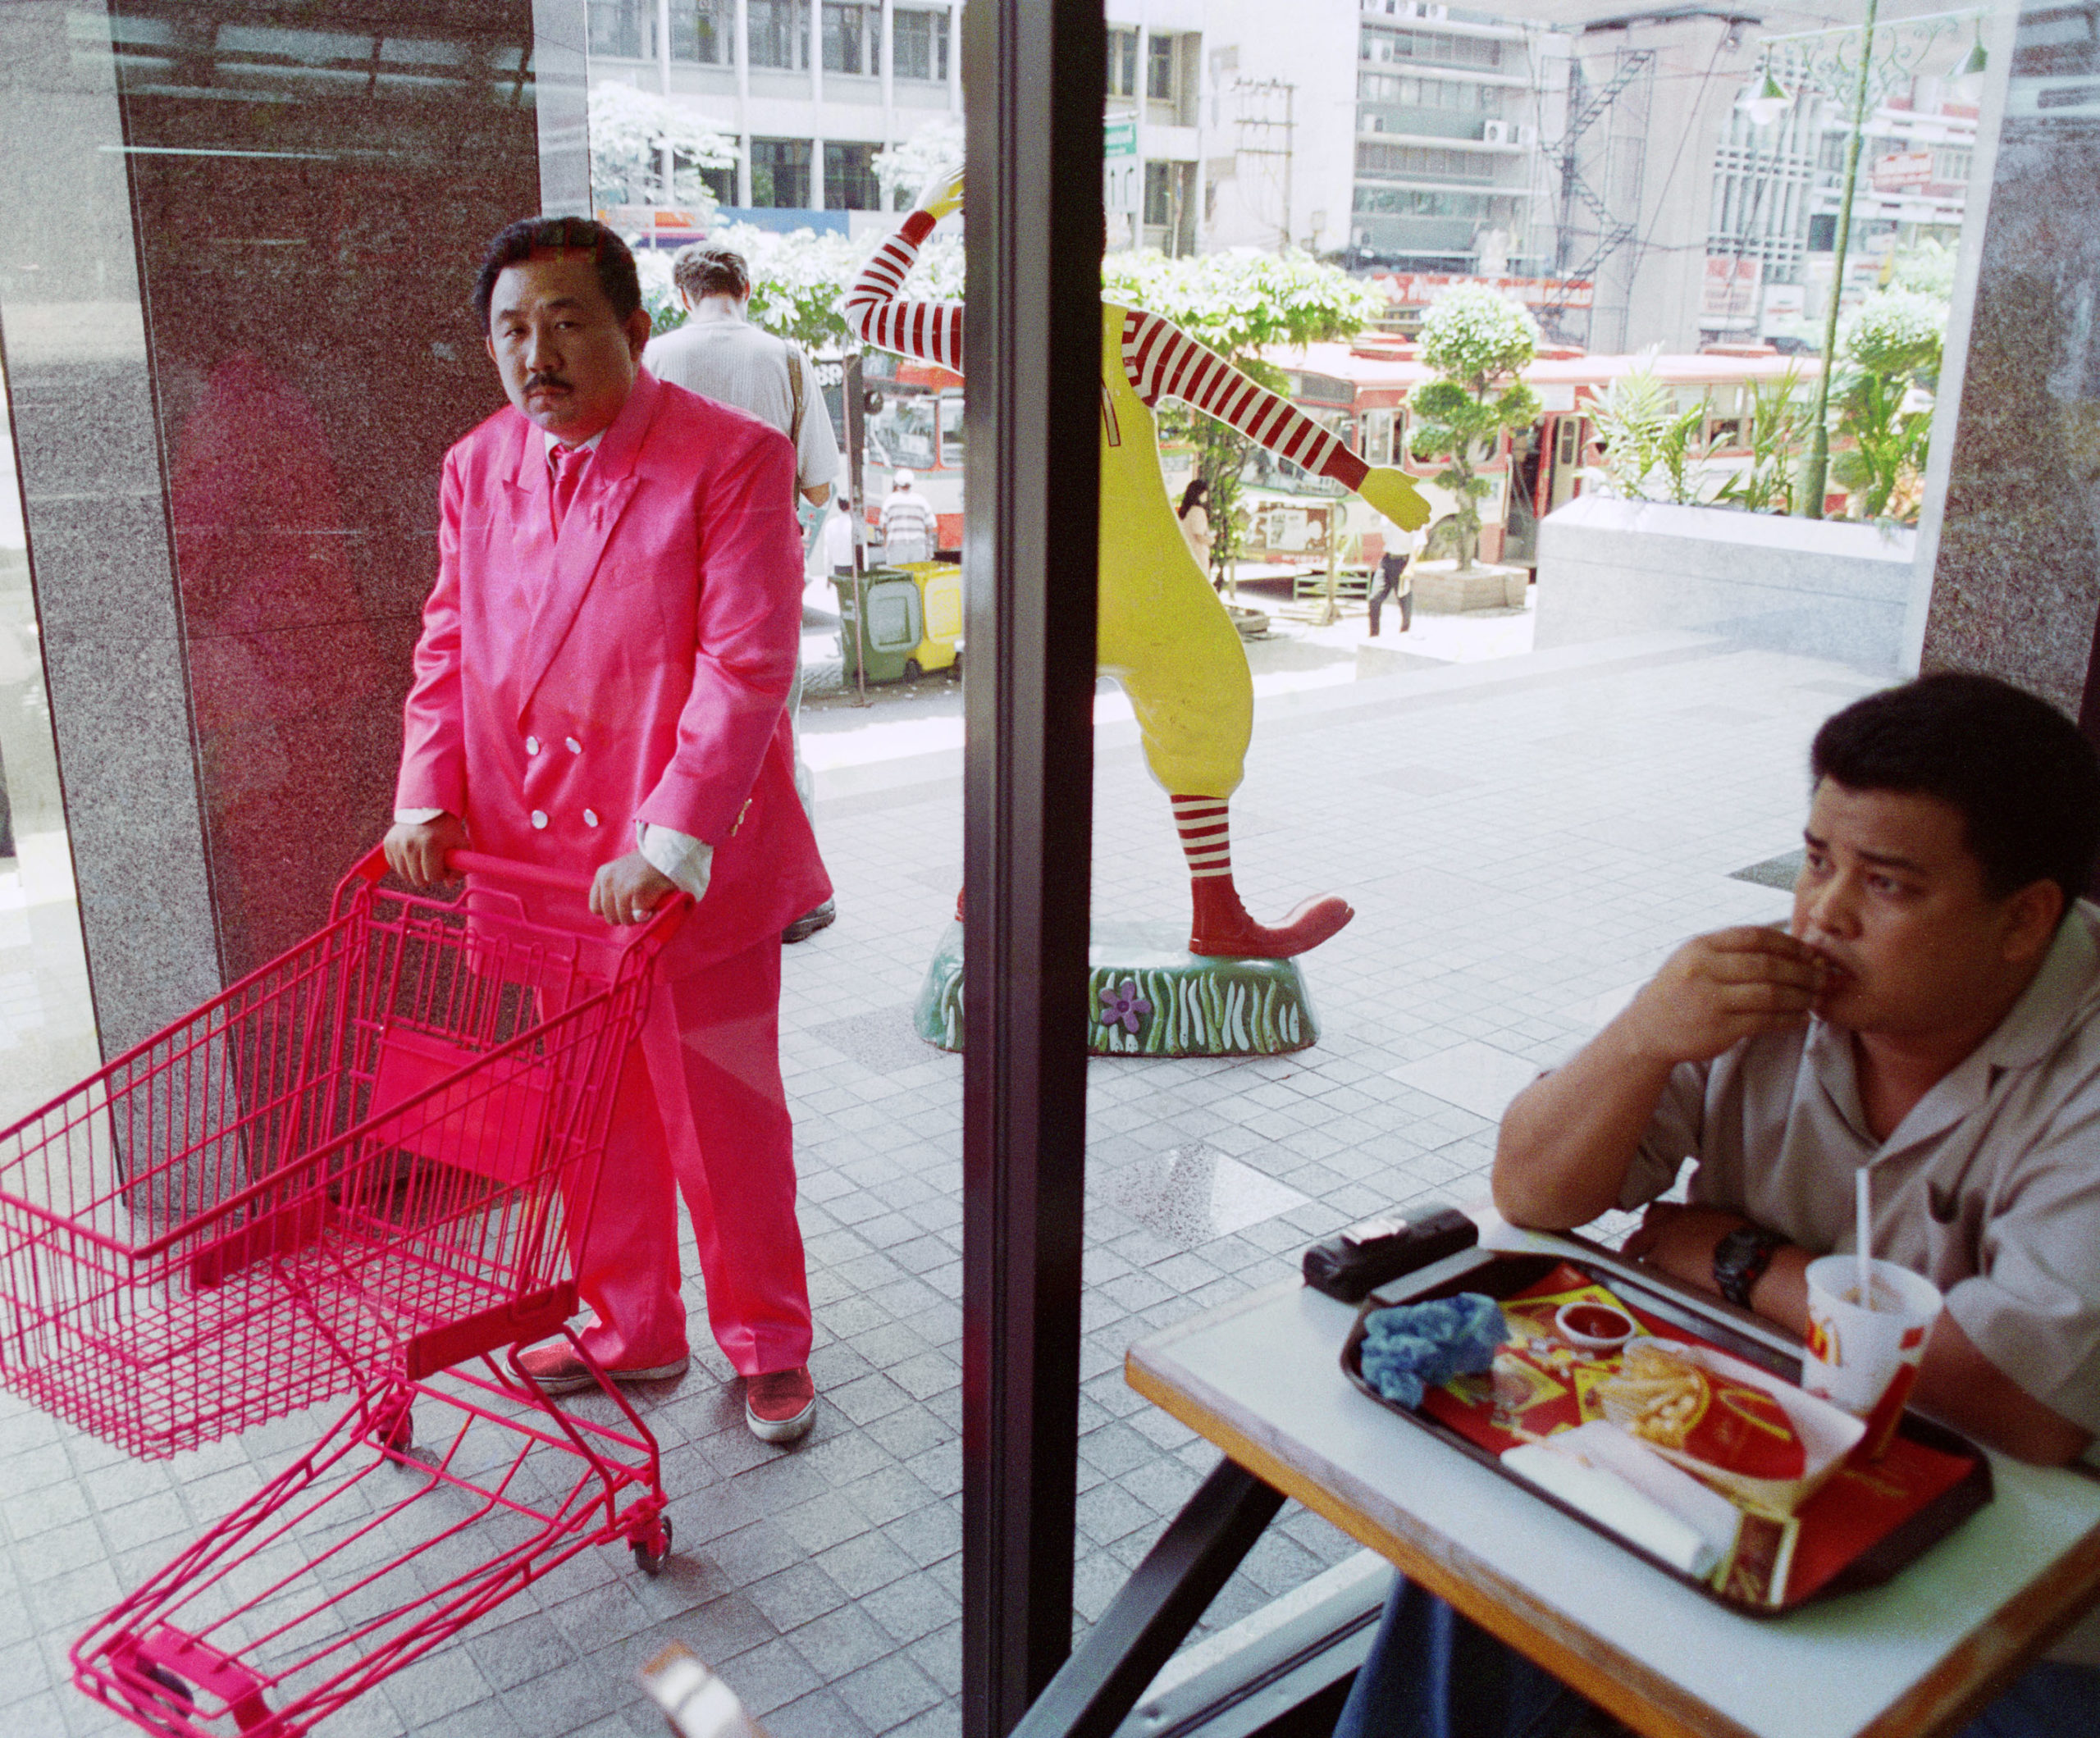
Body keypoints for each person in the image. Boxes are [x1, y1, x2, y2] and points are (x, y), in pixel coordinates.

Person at [1335, 671, 2100, 1738]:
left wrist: (1735, 1259)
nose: (1821, 913)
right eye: (1818, 859)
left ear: (2024, 920)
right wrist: (1647, 1030)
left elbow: (2020, 1401)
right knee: (1478, 1573)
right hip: (1720, 1462)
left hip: (2002, 1582)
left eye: (1884, 884)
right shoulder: (1772, 989)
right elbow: (1536, 1189)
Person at [385, 217, 831, 1445]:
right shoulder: (478, 465)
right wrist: (425, 790)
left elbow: (746, 666)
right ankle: (630, 1322)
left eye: (568, 322)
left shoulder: (727, 461)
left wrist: (670, 838)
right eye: (514, 330)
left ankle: (768, 1341)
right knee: (591, 1108)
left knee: (723, 1110)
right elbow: (448, 638)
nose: (540, 354)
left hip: (690, 859)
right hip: (535, 856)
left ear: (636, 330)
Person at [847, 167, 1431, 958]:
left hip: (1039, 593)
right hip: (1135, 587)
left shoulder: (981, 328)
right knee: (1199, 699)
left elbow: (865, 309)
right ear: (1101, 243)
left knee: (1056, 738)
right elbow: (1251, 407)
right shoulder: (1126, 335)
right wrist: (1362, 477)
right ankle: (1203, 912)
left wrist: (922, 218)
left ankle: (994, 896)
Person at [644, 241, 839, 947]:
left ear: (681, 293)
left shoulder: (656, 359)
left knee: (686, 731)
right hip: (765, 582)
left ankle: (696, 881)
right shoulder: (785, 357)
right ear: (747, 289)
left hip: (675, 582)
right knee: (774, 734)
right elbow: (820, 484)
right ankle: (790, 895)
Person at [1366, 520, 1422, 638]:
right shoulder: (1386, 515)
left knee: (1404, 602)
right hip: (1387, 561)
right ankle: (1374, 636)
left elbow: (1419, 543)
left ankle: (1404, 634)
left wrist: (1410, 567)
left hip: (1403, 562)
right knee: (1374, 598)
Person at [880, 468, 936, 568]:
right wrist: (928, 548)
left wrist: (885, 544)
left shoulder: (890, 501)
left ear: (897, 483)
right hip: (918, 547)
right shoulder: (921, 501)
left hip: (896, 547)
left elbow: (883, 525)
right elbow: (930, 526)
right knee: (916, 577)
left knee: (898, 577)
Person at [1176, 477, 1214, 577]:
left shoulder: (1185, 512)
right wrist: (1211, 541)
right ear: (1200, 493)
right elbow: (1199, 536)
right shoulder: (1198, 511)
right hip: (1199, 554)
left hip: (1188, 554)